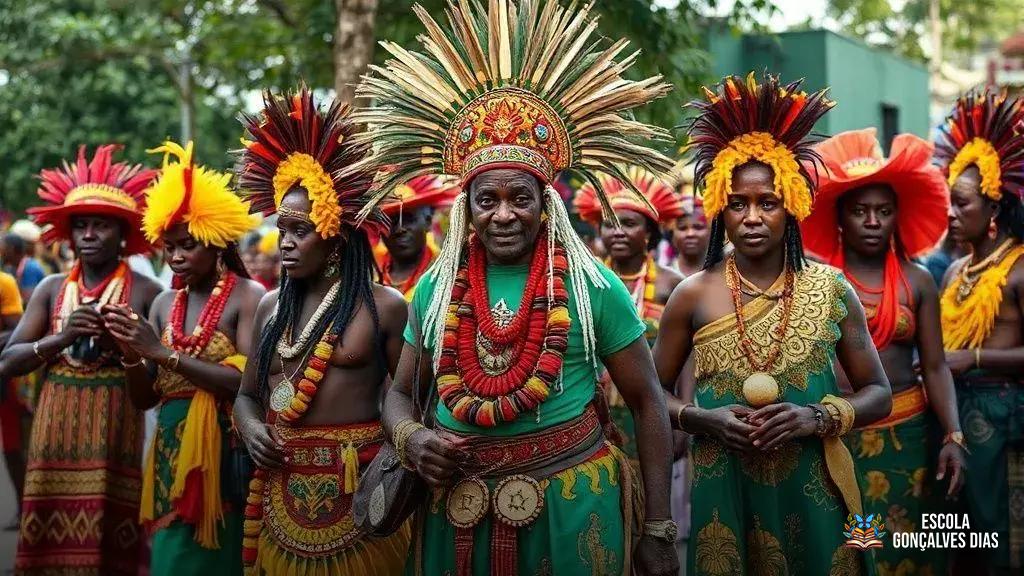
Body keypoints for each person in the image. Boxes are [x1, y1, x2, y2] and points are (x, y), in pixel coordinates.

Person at [350, 1, 680, 573]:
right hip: (456, 506)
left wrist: (657, 527)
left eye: (520, 198)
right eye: (488, 200)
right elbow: (400, 394)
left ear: (545, 204)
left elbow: (648, 401)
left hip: (572, 505)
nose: (504, 215)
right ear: (467, 208)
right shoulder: (435, 288)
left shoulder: (591, 284)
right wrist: (411, 439)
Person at [654, 73, 893, 575]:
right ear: (720, 208)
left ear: (792, 207)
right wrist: (702, 419)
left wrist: (817, 418)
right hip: (727, 489)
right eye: (737, 204)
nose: (752, 217)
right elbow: (652, 395)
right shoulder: (691, 294)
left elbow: (878, 393)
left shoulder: (832, 289)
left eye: (768, 202)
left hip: (817, 486)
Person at [232, 87, 411, 575]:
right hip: (281, 494)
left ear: (335, 236)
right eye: (281, 230)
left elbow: (412, 399)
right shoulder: (270, 306)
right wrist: (253, 430)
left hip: (361, 493)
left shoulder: (384, 307)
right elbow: (247, 396)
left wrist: (394, 466)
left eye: (300, 231)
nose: (284, 243)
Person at [800, 127, 967, 574]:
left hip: (908, 436)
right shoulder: (815, 283)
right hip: (834, 432)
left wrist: (953, 435)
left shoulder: (919, 281)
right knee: (845, 549)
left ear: (897, 216)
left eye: (883, 211)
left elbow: (935, 366)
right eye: (860, 211)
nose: (872, 221)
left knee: (906, 548)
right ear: (839, 217)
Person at [98, 140, 265, 575]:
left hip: (228, 454)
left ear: (215, 242)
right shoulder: (163, 303)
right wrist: (131, 355)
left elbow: (246, 384)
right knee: (171, 560)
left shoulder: (249, 296)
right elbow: (145, 400)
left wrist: (162, 352)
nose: (175, 256)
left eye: (187, 245)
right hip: (170, 453)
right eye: (169, 246)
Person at [0, 144, 164, 575]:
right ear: (69, 235)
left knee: (111, 536)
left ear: (122, 234)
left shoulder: (147, 292)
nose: (89, 234)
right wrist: (62, 337)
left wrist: (124, 350)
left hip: (116, 429)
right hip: (54, 431)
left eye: (101, 225)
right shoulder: (52, 288)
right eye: (81, 226)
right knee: (49, 530)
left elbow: (152, 390)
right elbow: (9, 361)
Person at [934, 88, 1024, 575]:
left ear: (993, 209)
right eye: (949, 202)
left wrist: (974, 358)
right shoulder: (953, 270)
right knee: (957, 538)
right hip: (953, 416)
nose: (950, 213)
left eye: (961, 203)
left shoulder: (1020, 270)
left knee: (1001, 540)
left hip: (1004, 417)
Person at [574, 168, 686, 465]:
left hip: (653, 406)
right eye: (609, 224)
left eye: (628, 223)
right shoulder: (584, 282)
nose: (618, 232)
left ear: (648, 232)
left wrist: (682, 421)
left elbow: (688, 358)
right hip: (593, 413)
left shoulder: (671, 285)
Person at [378, 175, 458, 300]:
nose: (399, 229)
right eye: (390, 222)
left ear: (428, 222)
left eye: (408, 219)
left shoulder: (449, 275)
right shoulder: (366, 277)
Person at [0, 269, 24, 529]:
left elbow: (18, 332)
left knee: (13, 447)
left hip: (5, 379)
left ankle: (23, 510)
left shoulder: (4, 283)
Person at [669, 176, 711, 278]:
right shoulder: (661, 278)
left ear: (711, 231)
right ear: (672, 232)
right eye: (682, 228)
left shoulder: (724, 273)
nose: (690, 234)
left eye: (698, 227)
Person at [1, 232, 46, 302]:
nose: (1, 252)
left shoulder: (30, 268)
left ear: (11, 249)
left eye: (2, 248)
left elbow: (29, 301)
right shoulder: (10, 267)